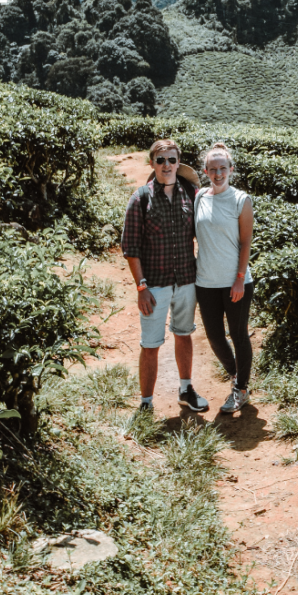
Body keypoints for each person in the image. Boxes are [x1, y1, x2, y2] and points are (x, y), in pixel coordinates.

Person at [121, 138, 209, 413]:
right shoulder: (141, 198)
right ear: (152, 164)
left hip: (185, 279)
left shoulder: (191, 194)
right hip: (154, 285)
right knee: (150, 344)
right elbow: (130, 248)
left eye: (172, 160)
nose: (167, 165)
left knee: (184, 334)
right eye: (161, 160)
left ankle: (185, 388)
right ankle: (146, 402)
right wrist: (141, 287)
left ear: (178, 163)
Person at [195, 143, 255, 413]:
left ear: (231, 170)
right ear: (205, 170)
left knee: (239, 334)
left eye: (223, 168)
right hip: (206, 281)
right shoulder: (199, 197)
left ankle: (241, 388)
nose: (218, 173)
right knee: (215, 336)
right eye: (212, 168)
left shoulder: (241, 200)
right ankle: (236, 374)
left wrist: (240, 278)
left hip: (235, 281)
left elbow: (245, 243)